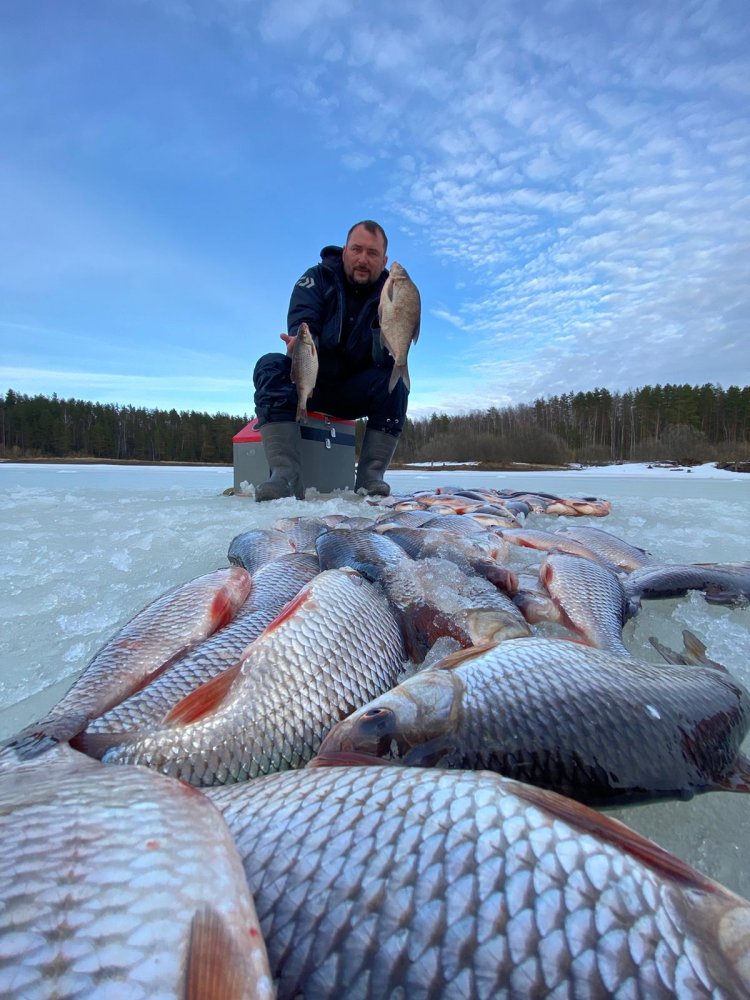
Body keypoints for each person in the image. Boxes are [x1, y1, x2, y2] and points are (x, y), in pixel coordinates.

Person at [252, 220, 409, 501]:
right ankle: (284, 477)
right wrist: (300, 344)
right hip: (310, 383)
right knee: (270, 366)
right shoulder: (317, 278)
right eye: (356, 249)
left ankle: (370, 479)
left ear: (384, 260)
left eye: (372, 253)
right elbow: (304, 322)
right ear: (345, 250)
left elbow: (395, 342)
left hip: (355, 391)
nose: (363, 259)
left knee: (396, 382)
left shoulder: (392, 294)